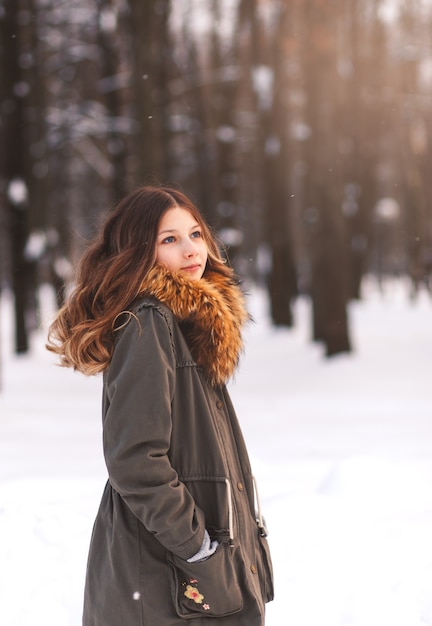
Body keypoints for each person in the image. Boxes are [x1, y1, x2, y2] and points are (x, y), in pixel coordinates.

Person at [47, 185, 274, 625]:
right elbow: (136, 459)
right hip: (161, 576)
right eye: (169, 239)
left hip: (182, 573)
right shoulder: (150, 321)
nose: (191, 250)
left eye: (195, 234)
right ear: (140, 253)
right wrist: (197, 546)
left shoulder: (187, 323)